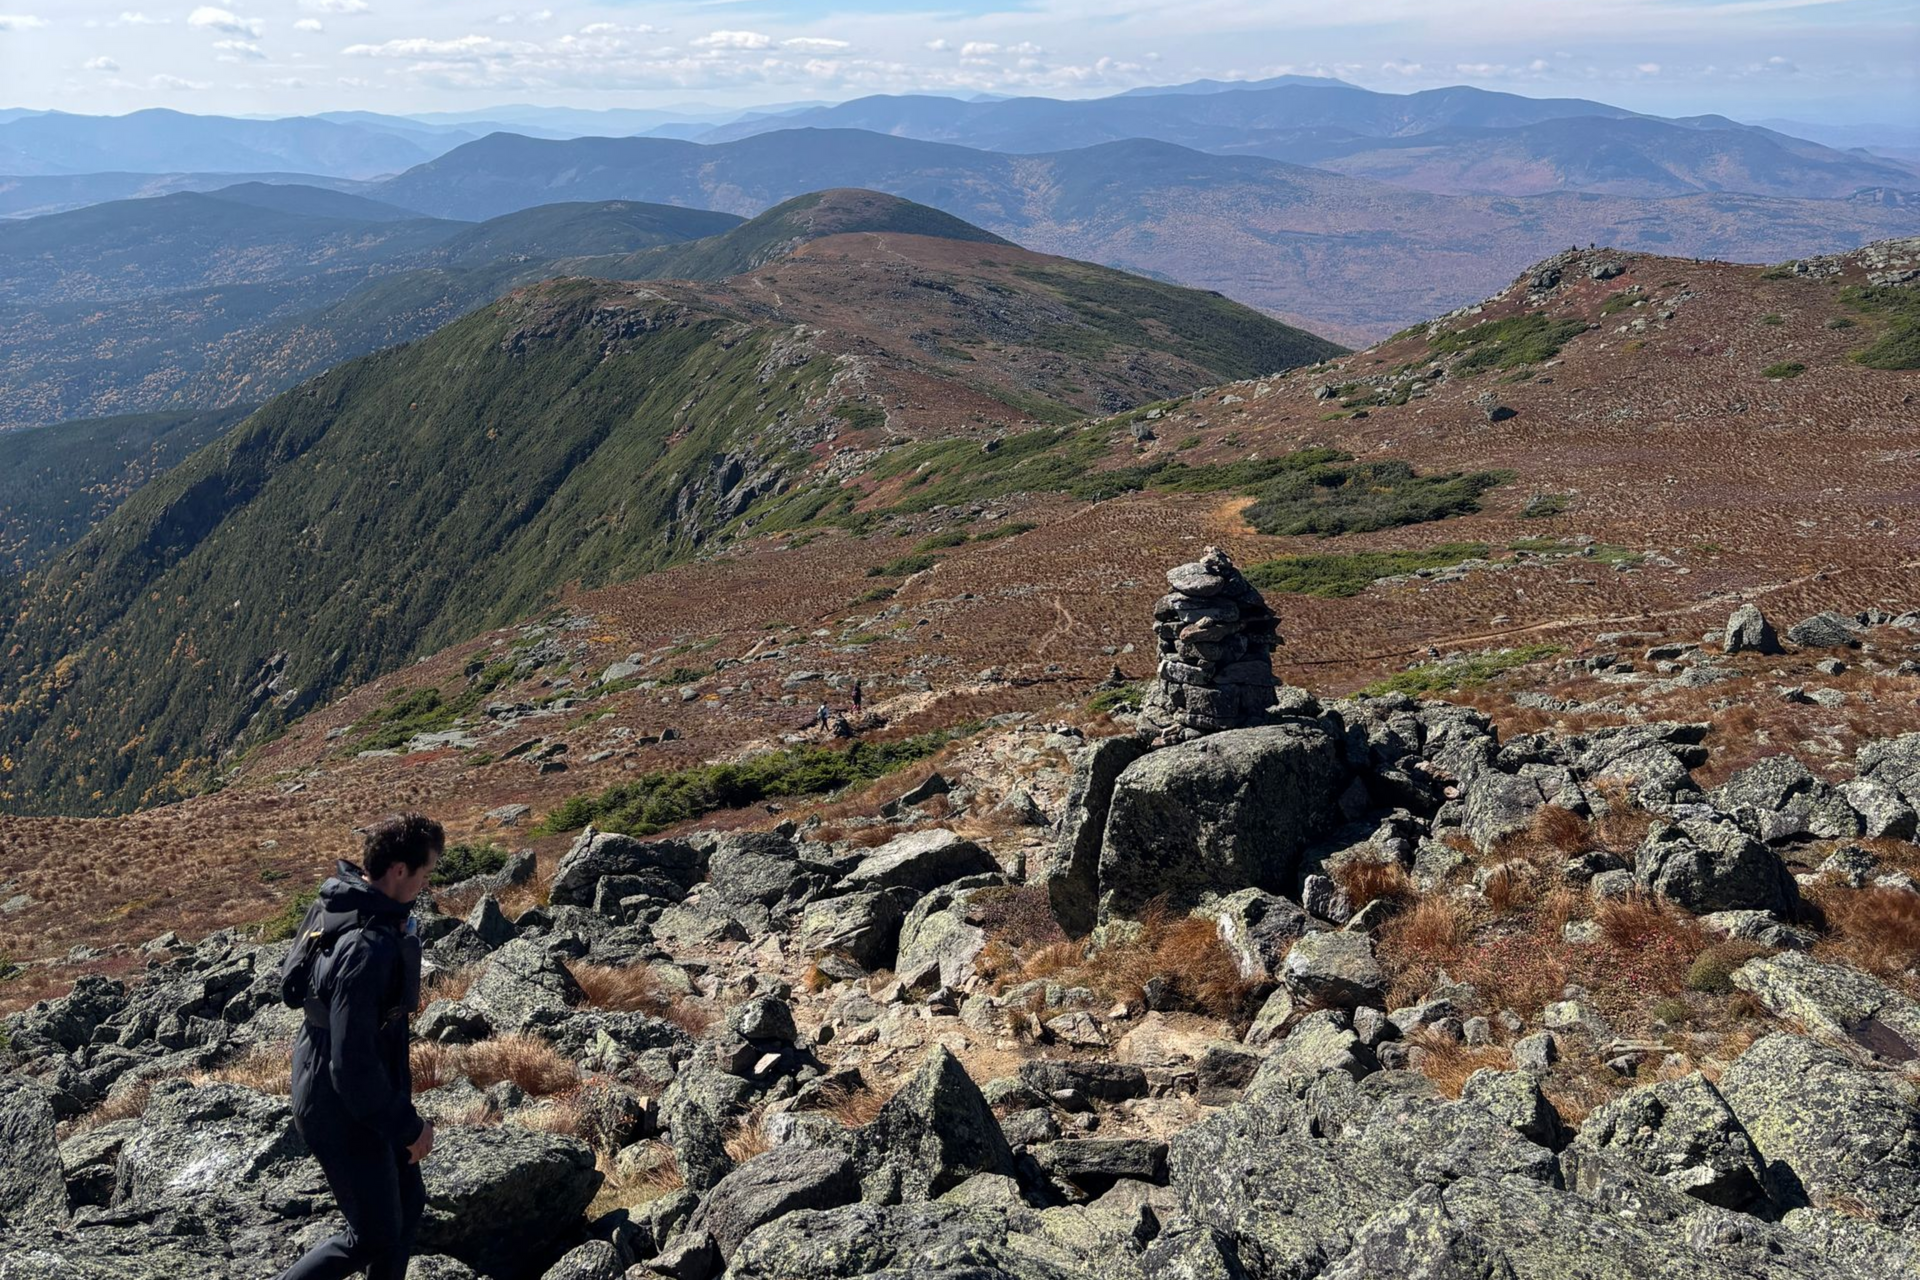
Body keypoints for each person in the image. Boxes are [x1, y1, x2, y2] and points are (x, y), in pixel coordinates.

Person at [276, 814, 442, 1280]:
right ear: (397, 870)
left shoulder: (340, 901)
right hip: (340, 1106)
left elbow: (295, 991)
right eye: (425, 873)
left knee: (407, 1205)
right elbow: (351, 1067)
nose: (426, 884)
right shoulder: (367, 949)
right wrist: (408, 1127)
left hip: (342, 1084)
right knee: (371, 1235)